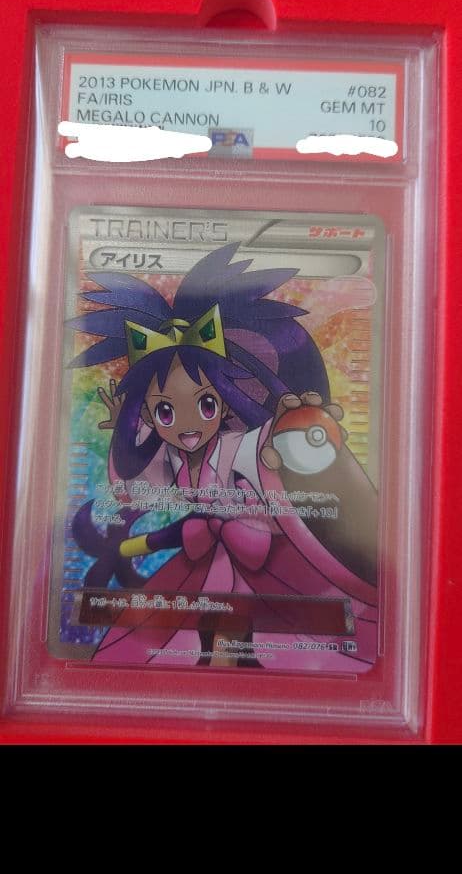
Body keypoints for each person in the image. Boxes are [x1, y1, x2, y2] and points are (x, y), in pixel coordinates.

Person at [70, 243, 378, 671]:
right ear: (151, 415)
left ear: (225, 401)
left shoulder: (242, 446)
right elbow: (138, 486)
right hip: (210, 559)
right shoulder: (172, 461)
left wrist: (302, 429)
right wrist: (124, 427)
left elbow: (275, 448)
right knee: (175, 635)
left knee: (283, 638)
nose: (188, 425)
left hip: (272, 562)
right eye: (165, 411)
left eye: (206, 404)